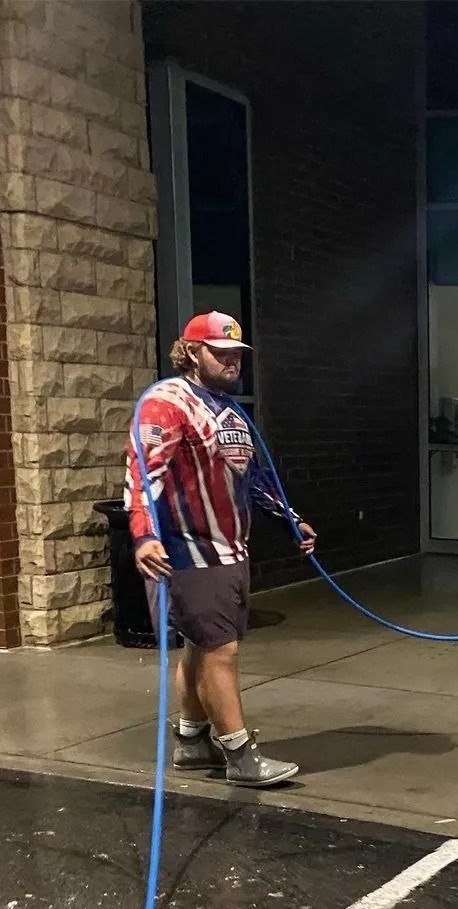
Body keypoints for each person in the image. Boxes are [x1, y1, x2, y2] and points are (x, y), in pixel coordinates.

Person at [123, 311, 317, 788]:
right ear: (191, 351)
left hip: (230, 550)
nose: (232, 362)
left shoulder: (230, 411)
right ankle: (239, 753)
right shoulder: (166, 402)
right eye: (220, 352)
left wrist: (289, 521)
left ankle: (192, 742)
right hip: (190, 552)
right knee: (220, 651)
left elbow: (250, 478)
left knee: (201, 646)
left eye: (236, 354)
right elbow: (143, 474)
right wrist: (144, 534)